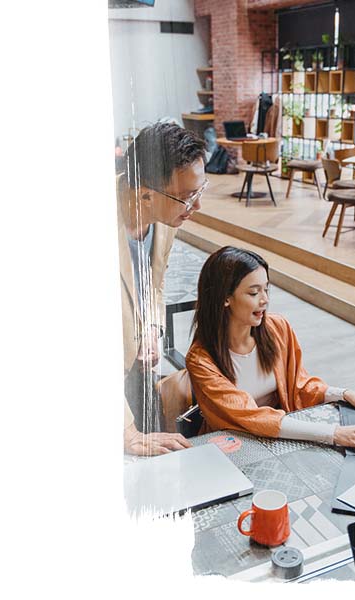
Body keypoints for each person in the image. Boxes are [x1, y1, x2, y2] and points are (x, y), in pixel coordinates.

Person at [185, 246, 355, 454]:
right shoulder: (200, 359)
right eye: (253, 292)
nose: (265, 300)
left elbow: (299, 386)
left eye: (266, 289)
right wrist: (333, 433)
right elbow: (249, 416)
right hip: (235, 448)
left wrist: (343, 394)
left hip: (278, 437)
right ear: (225, 298)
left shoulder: (277, 328)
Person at [117, 121, 208, 455]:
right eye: (187, 197)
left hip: (133, 363)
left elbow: (154, 283)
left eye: (200, 191)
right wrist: (126, 433)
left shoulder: (165, 219)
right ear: (144, 193)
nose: (196, 207)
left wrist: (152, 328)